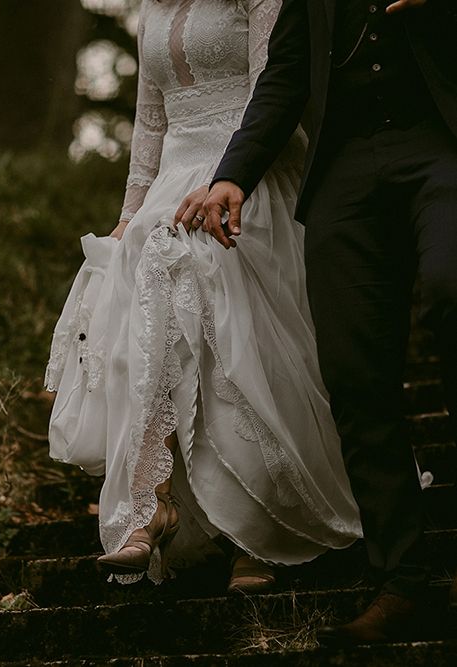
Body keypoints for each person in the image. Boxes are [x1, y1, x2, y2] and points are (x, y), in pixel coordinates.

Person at [44, 0, 362, 591]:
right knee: (148, 271)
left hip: (250, 171)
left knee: (206, 290)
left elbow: (279, 86)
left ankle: (257, 535)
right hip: (172, 178)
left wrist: (230, 178)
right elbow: (151, 122)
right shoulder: (152, 8)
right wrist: (127, 216)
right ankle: (153, 501)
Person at [202, 0, 457, 644]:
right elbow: (286, 75)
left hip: (441, 148)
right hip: (346, 171)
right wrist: (234, 174)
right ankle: (404, 580)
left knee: (451, 293)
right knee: (351, 368)